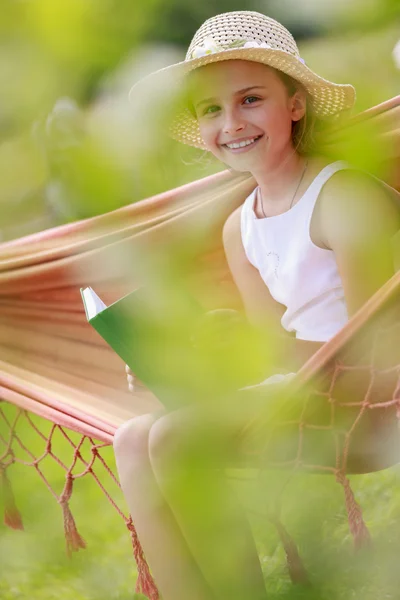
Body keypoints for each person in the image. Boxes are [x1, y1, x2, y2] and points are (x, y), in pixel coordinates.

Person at [113, 11, 400, 600]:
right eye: (212, 110)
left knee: (174, 439)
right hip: (299, 397)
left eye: (250, 99)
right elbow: (269, 365)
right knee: (132, 438)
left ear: (295, 104)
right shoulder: (239, 228)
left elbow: (376, 353)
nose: (232, 123)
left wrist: (260, 349)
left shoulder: (340, 195)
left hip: (367, 402)